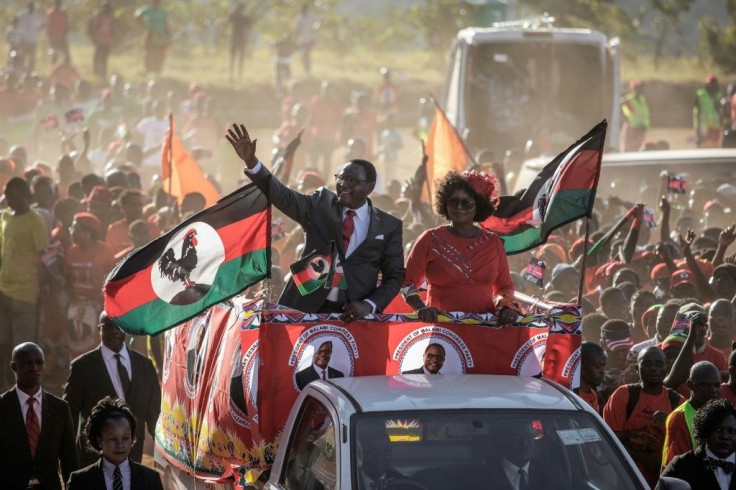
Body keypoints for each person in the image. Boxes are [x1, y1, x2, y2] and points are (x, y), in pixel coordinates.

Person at [227, 122, 405, 321]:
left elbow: (395, 276)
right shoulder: (320, 205)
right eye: (341, 178)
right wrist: (252, 163)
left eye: (352, 181)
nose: (343, 185)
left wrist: (369, 305)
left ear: (370, 187)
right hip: (306, 308)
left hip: (355, 314)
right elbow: (283, 196)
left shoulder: (388, 226)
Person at [401, 170, 518, 322]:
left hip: (484, 329)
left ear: (479, 206)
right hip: (441, 332)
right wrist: (420, 307)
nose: (459, 207)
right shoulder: (429, 239)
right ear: (445, 203)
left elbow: (505, 287)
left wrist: (506, 306)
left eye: (467, 203)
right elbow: (406, 282)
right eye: (453, 201)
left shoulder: (493, 242)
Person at [63, 312, 161, 467]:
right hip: (94, 458)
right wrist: (67, 456)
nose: (114, 331)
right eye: (108, 326)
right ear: (99, 329)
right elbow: (69, 415)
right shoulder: (82, 367)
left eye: (119, 326)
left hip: (133, 455)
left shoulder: (145, 366)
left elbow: (154, 414)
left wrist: (163, 450)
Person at [602, 346, 683, 487]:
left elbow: (684, 445)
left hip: (663, 481)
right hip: (625, 479)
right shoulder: (623, 395)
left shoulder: (677, 402)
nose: (653, 368)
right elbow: (606, 439)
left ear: (666, 368)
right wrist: (631, 437)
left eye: (659, 364)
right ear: (636, 368)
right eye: (647, 363)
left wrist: (668, 424)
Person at [0, 342, 78, 489]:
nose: (34, 368)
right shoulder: (2, 406)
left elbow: (69, 460)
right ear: (13, 366)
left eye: (39, 363)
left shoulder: (60, 408)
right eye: (27, 363)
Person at [0, 177, 49, 388]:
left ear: (22, 195)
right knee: (3, 343)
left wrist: (45, 285)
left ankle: (23, 389)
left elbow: (43, 257)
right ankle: (5, 387)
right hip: (4, 292)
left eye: (11, 196)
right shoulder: (4, 218)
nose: (8, 200)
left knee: (23, 348)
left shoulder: (34, 220)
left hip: (26, 293)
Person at [67, 396, 163, 489]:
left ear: (132, 439)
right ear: (99, 440)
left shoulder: (151, 479)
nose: (120, 445)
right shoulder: (80, 481)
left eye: (125, 438)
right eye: (112, 439)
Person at [661, 398, 736, 490]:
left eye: (732, 431)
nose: (725, 436)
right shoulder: (682, 465)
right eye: (718, 429)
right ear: (705, 430)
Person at [662, 361, 722, 468]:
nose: (713, 390)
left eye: (717, 385)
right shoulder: (680, 417)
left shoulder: (721, 413)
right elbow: (680, 465)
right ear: (690, 385)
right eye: (705, 385)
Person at [483, 419, 569, 490]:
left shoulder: (552, 475)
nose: (525, 444)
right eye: (517, 438)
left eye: (528, 437)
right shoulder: (482, 478)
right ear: (506, 441)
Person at [135, 0, 170, 74]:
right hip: (150, 34)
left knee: (160, 53)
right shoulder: (147, 9)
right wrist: (144, 25)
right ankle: (148, 71)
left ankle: (157, 71)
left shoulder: (162, 11)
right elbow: (137, 16)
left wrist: (168, 35)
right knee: (149, 52)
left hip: (160, 35)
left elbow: (166, 24)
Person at [620, 80, 650, 152]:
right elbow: (619, 106)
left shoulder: (642, 99)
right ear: (633, 89)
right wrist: (626, 119)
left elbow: (644, 114)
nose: (641, 90)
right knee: (630, 149)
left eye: (642, 88)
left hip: (641, 127)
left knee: (640, 149)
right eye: (639, 88)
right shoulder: (628, 99)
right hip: (632, 128)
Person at [577, 342, 607, 413]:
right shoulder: (571, 397)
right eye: (598, 366)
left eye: (603, 366)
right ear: (581, 366)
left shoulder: (593, 395)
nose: (602, 371)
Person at [694, 74, 724, 148]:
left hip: (716, 127)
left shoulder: (719, 96)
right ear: (706, 84)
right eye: (710, 83)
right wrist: (697, 127)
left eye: (714, 83)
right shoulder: (700, 95)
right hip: (704, 127)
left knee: (716, 147)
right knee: (704, 147)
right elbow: (696, 111)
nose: (712, 85)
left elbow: (721, 112)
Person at [88, 2, 115, 80]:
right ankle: (96, 73)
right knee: (97, 57)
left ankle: (103, 74)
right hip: (99, 40)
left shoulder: (111, 17)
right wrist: (94, 38)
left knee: (105, 58)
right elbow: (92, 27)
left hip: (107, 41)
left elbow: (112, 29)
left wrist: (112, 39)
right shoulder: (98, 16)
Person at [228, 3, 251, 83]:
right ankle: (237, 76)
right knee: (239, 59)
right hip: (240, 39)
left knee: (233, 58)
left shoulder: (235, 16)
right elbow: (249, 28)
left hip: (235, 38)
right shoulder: (245, 17)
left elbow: (228, 20)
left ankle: (233, 76)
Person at [17, 1, 43, 72]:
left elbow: (41, 24)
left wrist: (38, 30)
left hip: (33, 39)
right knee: (23, 56)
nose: (32, 8)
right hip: (24, 39)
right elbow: (18, 24)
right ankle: (22, 71)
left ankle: (31, 71)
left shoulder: (36, 14)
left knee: (32, 57)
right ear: (28, 7)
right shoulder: (23, 14)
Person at [294, 2, 319, 74]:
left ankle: (308, 69)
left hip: (310, 39)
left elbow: (317, 23)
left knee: (307, 54)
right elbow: (297, 29)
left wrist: (315, 28)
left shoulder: (311, 16)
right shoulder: (298, 17)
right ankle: (307, 69)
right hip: (302, 40)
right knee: (304, 54)